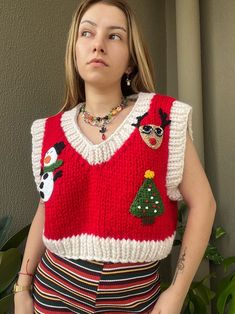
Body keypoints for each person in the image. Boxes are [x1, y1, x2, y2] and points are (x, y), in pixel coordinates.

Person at [14, 0, 216, 313]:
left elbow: (204, 203)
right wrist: (22, 287)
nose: (98, 45)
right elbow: (46, 207)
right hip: (52, 298)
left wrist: (176, 292)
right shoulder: (47, 132)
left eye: (114, 36)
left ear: (131, 61)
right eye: (87, 34)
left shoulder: (162, 120)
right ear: (75, 51)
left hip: (136, 304)